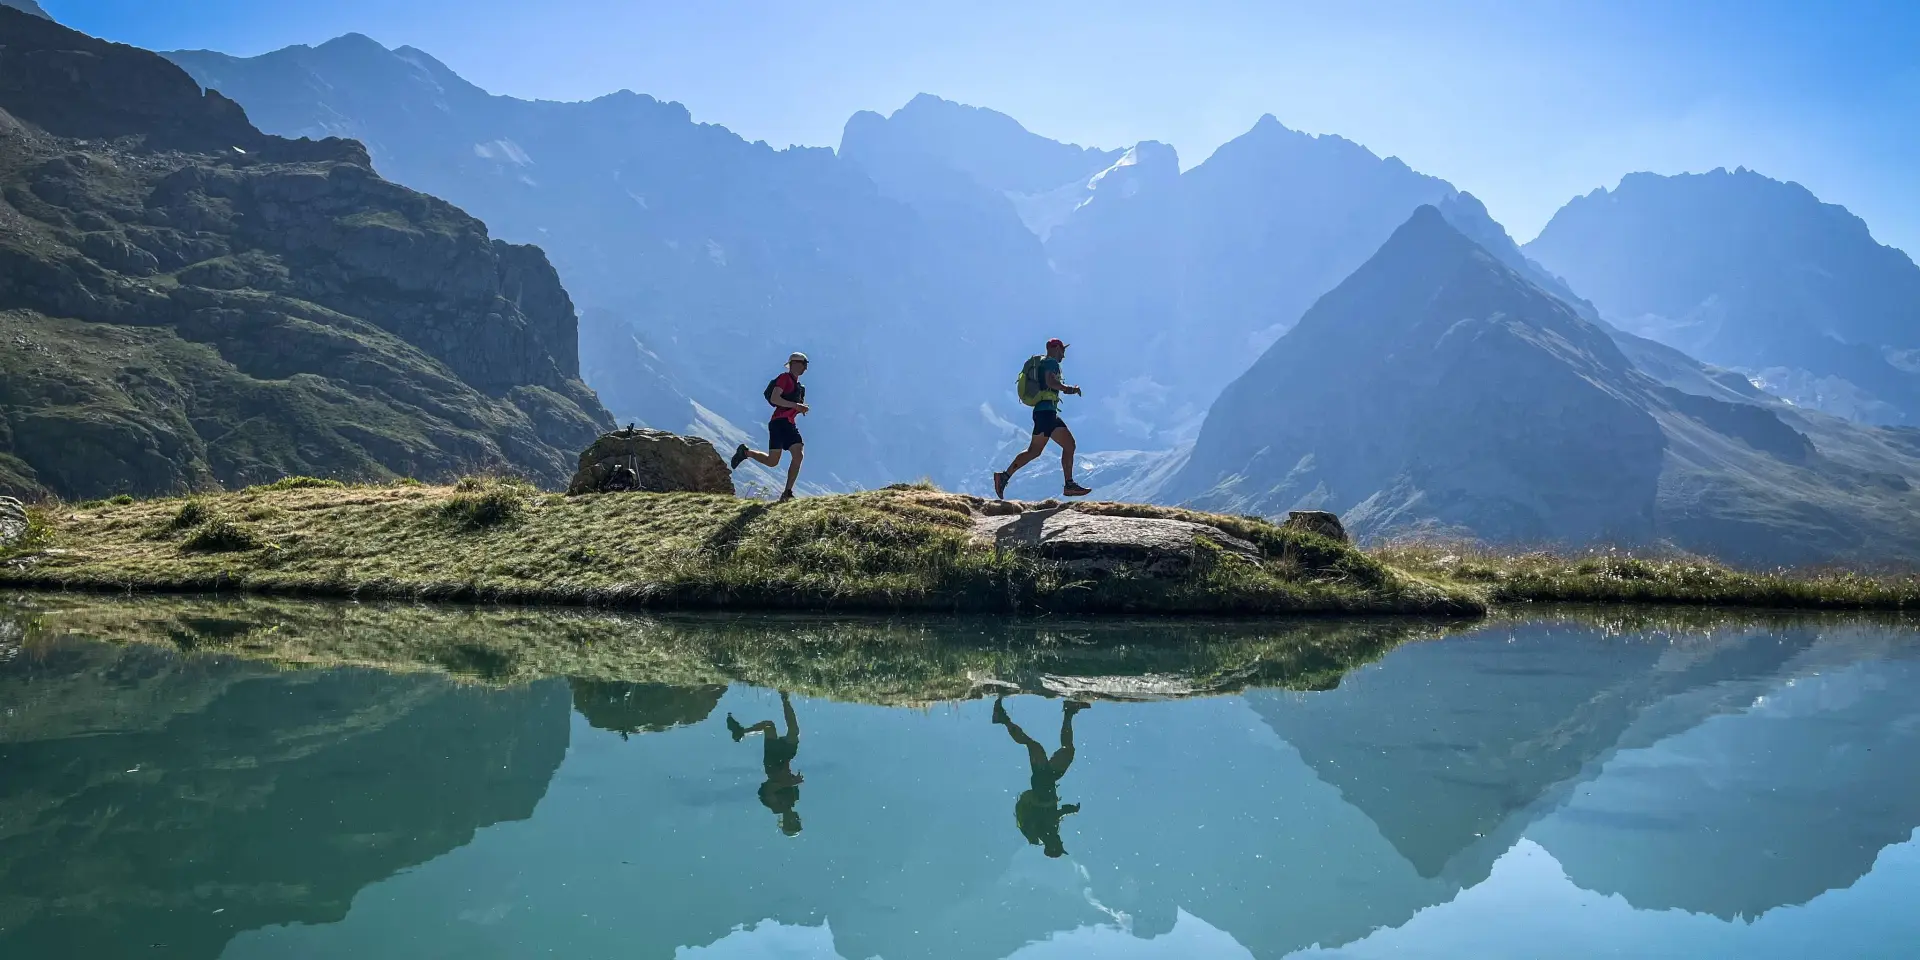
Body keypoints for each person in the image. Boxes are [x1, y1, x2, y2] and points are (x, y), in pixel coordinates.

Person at [993, 695, 1090, 858]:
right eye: (1061, 844)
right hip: (1049, 779)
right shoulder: (1050, 830)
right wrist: (1070, 810)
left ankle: (1002, 718)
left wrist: (1062, 809)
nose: (1060, 841)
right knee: (1067, 750)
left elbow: (1045, 812)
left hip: (1042, 780)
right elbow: (1056, 813)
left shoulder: (1037, 832)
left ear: (1051, 846)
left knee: (1033, 746)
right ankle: (1069, 711)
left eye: (1058, 844)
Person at [995, 338, 1092, 500]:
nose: (1064, 355)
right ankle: (1068, 485)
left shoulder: (1044, 363)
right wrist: (1068, 389)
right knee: (1046, 449)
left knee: (1050, 448)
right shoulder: (1051, 363)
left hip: (1045, 412)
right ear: (1055, 348)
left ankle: (1004, 476)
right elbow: (1050, 381)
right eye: (1063, 350)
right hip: (1046, 413)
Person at [730, 352, 809, 502]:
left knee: (798, 455)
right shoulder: (784, 378)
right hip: (779, 423)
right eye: (803, 363)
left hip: (789, 424)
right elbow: (775, 398)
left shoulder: (799, 386)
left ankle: (787, 493)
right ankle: (746, 453)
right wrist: (796, 405)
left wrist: (800, 409)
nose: (805, 367)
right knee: (773, 461)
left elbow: (789, 405)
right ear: (794, 364)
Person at [727, 690, 804, 836]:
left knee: (769, 726)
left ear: (786, 822)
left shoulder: (775, 807)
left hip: (773, 764)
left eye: (793, 823)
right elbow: (788, 779)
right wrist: (793, 780)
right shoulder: (794, 798)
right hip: (785, 760)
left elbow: (769, 788)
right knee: (793, 731)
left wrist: (790, 782)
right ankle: (785, 697)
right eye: (797, 821)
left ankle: (742, 732)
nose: (795, 819)